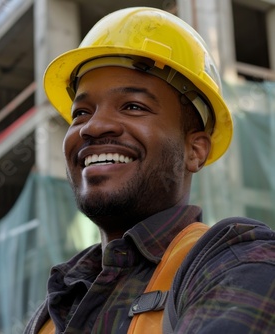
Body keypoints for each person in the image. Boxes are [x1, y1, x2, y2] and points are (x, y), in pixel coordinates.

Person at [24, 6, 275, 334]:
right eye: (81, 112)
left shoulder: (238, 261)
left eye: (133, 106)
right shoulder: (55, 305)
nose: (92, 127)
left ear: (195, 150)